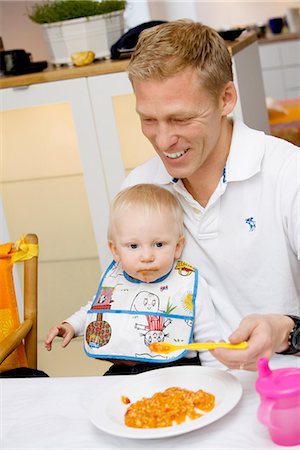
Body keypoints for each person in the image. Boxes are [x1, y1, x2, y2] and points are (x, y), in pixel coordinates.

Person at [121, 19, 300, 371]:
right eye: (148, 120)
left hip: (281, 386)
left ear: (226, 99)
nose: (162, 141)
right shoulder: (138, 189)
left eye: (181, 119)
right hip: (184, 391)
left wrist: (284, 331)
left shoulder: (288, 173)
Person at [45, 184, 224, 375]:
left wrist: (217, 378)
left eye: (158, 244)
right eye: (133, 246)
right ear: (115, 251)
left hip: (177, 368)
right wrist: (71, 326)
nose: (146, 256)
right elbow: (96, 308)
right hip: (123, 369)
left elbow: (208, 340)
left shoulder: (187, 282)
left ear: (178, 246)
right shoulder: (116, 279)